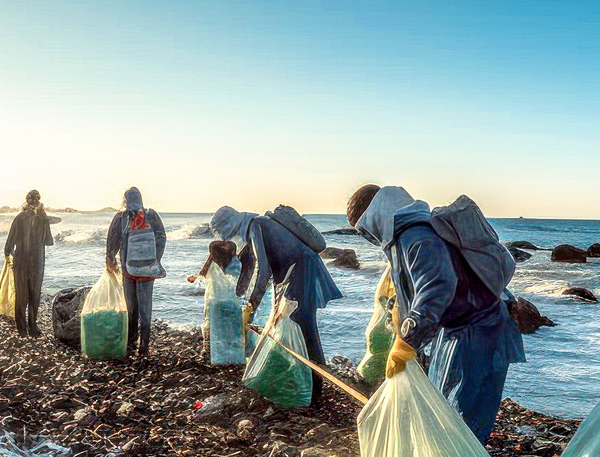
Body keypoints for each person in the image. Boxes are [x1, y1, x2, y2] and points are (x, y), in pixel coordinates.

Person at [347, 184, 525, 440]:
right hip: (457, 328)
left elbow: (437, 286)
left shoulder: (416, 236)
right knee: (446, 408)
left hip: (478, 331)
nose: (368, 237)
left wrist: (408, 341)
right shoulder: (407, 235)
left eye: (364, 229)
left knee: (464, 417)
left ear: (375, 216)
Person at [211, 205, 343, 369]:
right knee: (296, 324)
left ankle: (317, 377)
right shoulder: (255, 228)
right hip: (297, 274)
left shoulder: (256, 225)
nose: (224, 235)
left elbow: (264, 271)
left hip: (302, 273)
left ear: (230, 223)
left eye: (222, 230)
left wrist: (252, 305)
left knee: (304, 324)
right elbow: (253, 269)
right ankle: (310, 374)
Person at [103, 187, 166, 358]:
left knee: (132, 307)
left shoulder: (121, 216)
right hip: (147, 270)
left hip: (128, 269)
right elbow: (161, 237)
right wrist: (155, 259)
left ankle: (132, 342)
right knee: (145, 308)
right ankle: (143, 346)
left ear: (125, 200)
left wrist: (110, 257)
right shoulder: (151, 215)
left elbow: (113, 239)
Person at [3, 189, 53, 337]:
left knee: (24, 295)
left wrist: (9, 255)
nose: (33, 203)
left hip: (24, 261)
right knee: (32, 295)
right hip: (35, 262)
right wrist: (45, 220)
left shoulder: (20, 218)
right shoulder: (35, 218)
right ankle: (30, 328)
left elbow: (9, 244)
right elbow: (49, 241)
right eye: (33, 200)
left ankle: (24, 329)